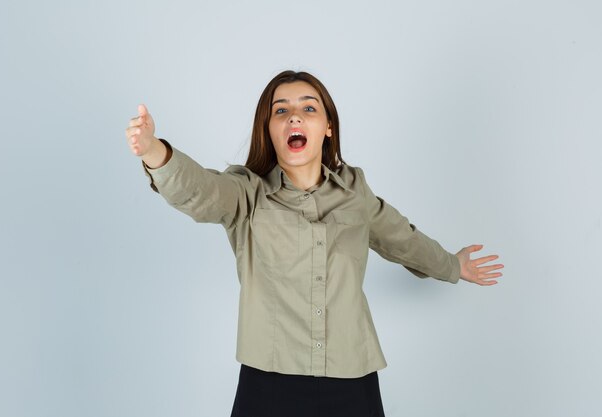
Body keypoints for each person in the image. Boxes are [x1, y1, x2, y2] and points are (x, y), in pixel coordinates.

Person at [124, 70, 503, 417]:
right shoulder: (246, 194)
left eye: (309, 107)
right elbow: (200, 191)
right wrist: (155, 151)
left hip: (353, 380)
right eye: (281, 110)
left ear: (328, 128)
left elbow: (403, 239)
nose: (294, 116)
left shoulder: (356, 195)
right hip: (268, 385)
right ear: (269, 130)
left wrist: (453, 266)